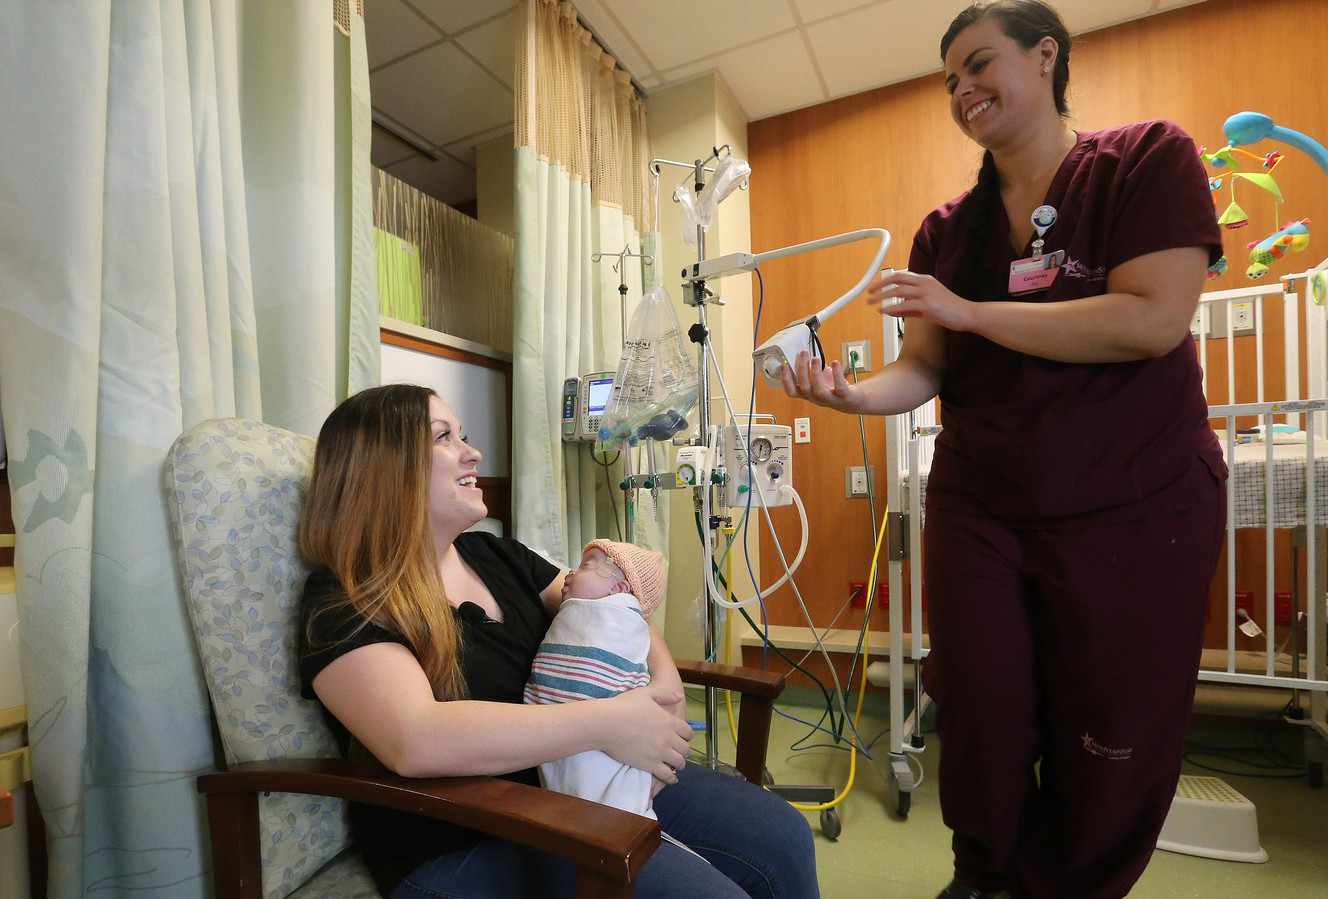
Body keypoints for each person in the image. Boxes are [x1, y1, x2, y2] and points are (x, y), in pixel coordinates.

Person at [781, 2, 1226, 897]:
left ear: (1047, 55)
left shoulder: (1147, 158)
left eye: (979, 64)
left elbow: (1153, 318)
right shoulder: (950, 231)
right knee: (979, 710)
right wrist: (849, 397)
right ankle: (981, 874)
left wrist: (972, 310)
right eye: (949, 80)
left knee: (1110, 728)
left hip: (1136, 501)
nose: (962, 89)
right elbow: (924, 369)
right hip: (982, 501)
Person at [296, 383, 819, 899]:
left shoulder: (497, 556)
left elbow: (616, 604)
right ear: (383, 467)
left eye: (464, 435)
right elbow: (416, 740)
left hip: (583, 782)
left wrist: (665, 690)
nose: (472, 452)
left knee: (780, 835)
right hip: (463, 836)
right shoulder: (347, 597)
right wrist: (613, 723)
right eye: (443, 438)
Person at [523, 538, 667, 818]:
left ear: (620, 589)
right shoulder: (577, 614)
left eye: (586, 567)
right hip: (553, 740)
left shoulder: (620, 618)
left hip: (617, 745)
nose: (570, 573)